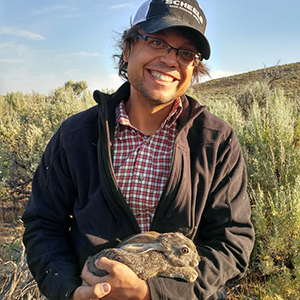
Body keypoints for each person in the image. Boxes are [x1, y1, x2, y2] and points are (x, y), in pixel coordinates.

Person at [22, 0, 255, 299]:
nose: (170, 60)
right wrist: (70, 292)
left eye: (185, 53)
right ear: (128, 48)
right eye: (157, 42)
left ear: (193, 66)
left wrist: (152, 293)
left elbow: (232, 240)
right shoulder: (75, 136)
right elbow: (43, 224)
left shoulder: (216, 141)